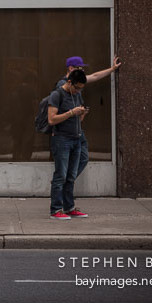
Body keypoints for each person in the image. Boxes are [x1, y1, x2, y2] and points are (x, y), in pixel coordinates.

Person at [56, 55, 122, 178]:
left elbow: (95, 76)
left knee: (83, 158)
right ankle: (65, 183)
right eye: (80, 68)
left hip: (77, 127)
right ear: (71, 68)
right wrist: (74, 112)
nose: (82, 71)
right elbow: (59, 108)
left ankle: (68, 181)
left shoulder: (78, 81)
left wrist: (113, 68)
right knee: (69, 162)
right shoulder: (62, 85)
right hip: (67, 130)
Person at [47, 69, 89, 220]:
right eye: (77, 87)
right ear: (69, 82)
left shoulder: (77, 95)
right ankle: (55, 209)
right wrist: (71, 112)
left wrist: (81, 114)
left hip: (76, 138)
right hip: (62, 139)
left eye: (81, 89)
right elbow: (52, 119)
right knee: (61, 176)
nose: (78, 91)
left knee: (71, 176)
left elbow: (77, 120)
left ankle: (69, 207)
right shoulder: (57, 94)